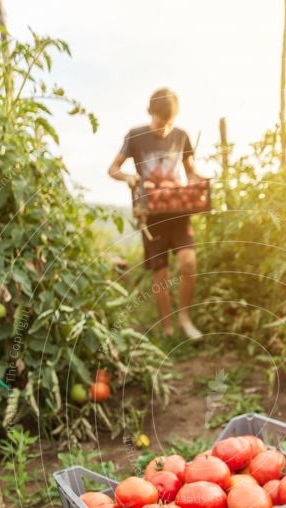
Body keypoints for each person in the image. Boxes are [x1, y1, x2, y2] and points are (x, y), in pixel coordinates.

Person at [108, 88, 202, 339]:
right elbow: (113, 169)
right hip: (151, 216)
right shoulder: (135, 136)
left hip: (178, 211)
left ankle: (184, 317)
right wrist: (128, 177)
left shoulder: (182, 136)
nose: (165, 129)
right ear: (150, 113)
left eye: (169, 124)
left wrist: (198, 181)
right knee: (161, 273)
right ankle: (168, 329)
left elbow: (190, 171)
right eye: (161, 123)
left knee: (188, 262)